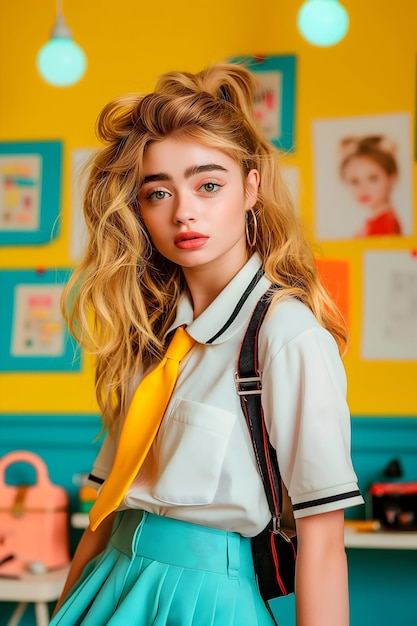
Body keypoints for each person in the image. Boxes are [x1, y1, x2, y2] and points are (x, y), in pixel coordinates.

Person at [51, 64, 363, 626]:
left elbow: (323, 542)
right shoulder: (151, 335)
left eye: (208, 184)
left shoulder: (285, 335)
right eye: (157, 192)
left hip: (203, 603)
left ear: (251, 188)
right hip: (108, 585)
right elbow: (105, 510)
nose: (183, 211)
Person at [339, 135, 402, 237]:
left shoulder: (385, 224)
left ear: (391, 178)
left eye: (373, 178)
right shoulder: (375, 221)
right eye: (355, 181)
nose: (363, 188)